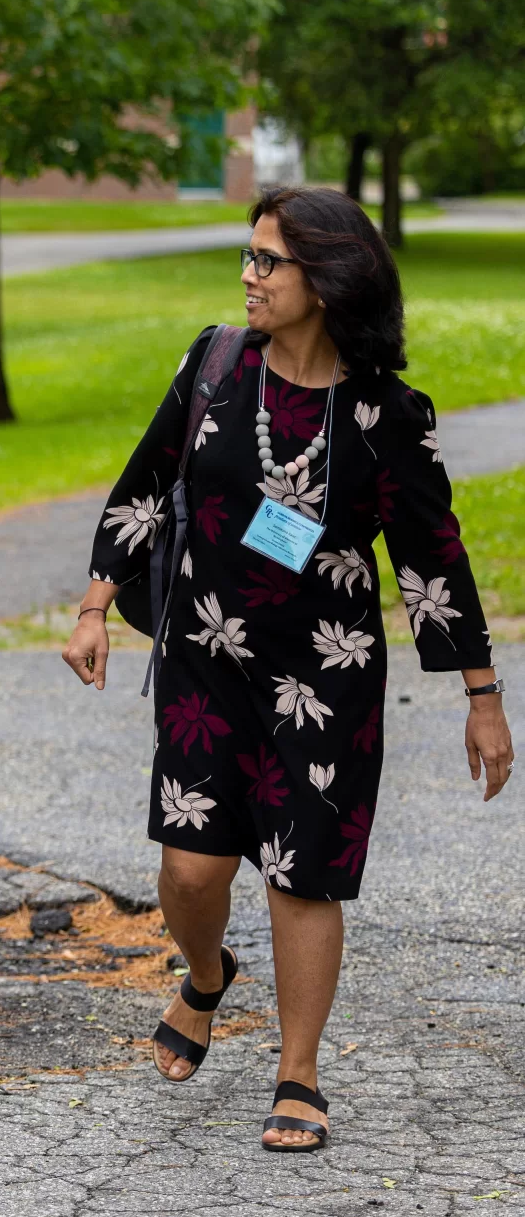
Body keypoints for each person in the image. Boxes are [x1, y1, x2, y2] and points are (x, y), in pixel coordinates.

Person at [63, 185, 513, 1153]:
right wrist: (94, 604)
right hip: (203, 664)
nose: (247, 274)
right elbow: (143, 483)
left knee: (300, 877)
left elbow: (434, 560)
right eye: (248, 254)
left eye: (267, 260)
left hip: (324, 678)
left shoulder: (386, 415)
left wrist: (481, 699)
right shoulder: (214, 364)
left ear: (327, 277)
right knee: (188, 868)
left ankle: (296, 1072)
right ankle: (204, 974)